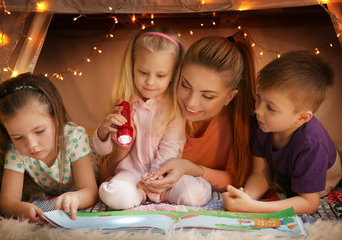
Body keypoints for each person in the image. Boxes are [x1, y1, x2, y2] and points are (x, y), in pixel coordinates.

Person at [98, 32, 257, 203]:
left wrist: (193, 169)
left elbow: (236, 178)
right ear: (175, 77)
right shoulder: (156, 110)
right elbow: (105, 173)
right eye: (185, 85)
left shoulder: (236, 125)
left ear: (229, 97)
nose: (191, 102)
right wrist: (122, 150)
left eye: (208, 96)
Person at [93, 26, 214, 210]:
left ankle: (153, 194)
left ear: (173, 75)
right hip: (130, 174)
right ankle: (140, 194)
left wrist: (154, 181)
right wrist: (102, 132)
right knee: (113, 194)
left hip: (164, 175)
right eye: (143, 72)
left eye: (160, 75)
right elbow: (103, 150)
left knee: (193, 193)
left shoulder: (173, 108)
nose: (150, 82)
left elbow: (170, 150)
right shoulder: (124, 102)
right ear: (132, 67)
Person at [222, 50, 342, 214]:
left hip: (325, 177)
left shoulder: (313, 145)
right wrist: (246, 197)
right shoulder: (262, 123)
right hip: (285, 174)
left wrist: (255, 207)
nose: (258, 110)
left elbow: (308, 203)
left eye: (271, 107)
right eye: (259, 97)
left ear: (302, 118)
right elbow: (260, 173)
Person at [0, 73, 99, 222]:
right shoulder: (15, 150)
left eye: (39, 131)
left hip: (100, 174)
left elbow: (90, 190)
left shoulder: (73, 137)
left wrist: (76, 197)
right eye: (18, 137)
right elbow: (7, 201)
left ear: (57, 119)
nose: (31, 145)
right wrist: (21, 209)